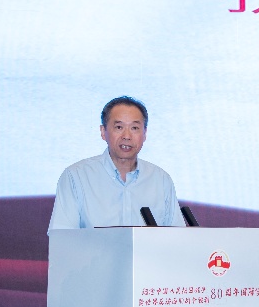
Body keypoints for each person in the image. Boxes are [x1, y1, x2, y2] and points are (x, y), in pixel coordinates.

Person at [48, 96, 182, 231]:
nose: (127, 136)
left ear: (145, 133)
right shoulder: (76, 177)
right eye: (119, 127)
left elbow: (177, 237)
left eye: (135, 128)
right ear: (103, 132)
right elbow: (62, 236)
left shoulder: (161, 179)